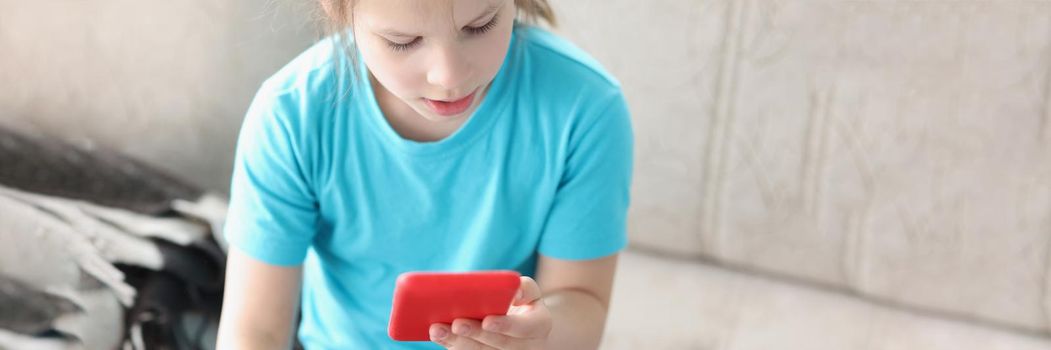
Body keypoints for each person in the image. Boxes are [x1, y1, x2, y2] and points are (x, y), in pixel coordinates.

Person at [215, 0, 633, 348]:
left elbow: (582, 302)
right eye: (403, 42)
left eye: (480, 25)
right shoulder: (291, 116)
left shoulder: (586, 109)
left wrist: (536, 336)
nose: (448, 77)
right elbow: (255, 331)